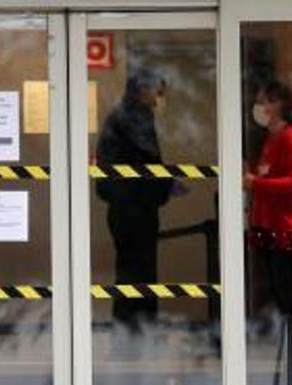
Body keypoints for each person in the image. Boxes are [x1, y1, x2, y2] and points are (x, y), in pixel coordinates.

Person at [96, 69, 182, 333]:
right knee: (139, 272)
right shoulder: (134, 118)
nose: (159, 99)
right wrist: (165, 184)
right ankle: (139, 330)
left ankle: (130, 329)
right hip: (133, 208)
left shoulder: (122, 116)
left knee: (130, 271)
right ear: (142, 90)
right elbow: (146, 163)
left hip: (125, 205)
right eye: (157, 92)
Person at [244, 81, 292, 385]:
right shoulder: (271, 140)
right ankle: (277, 363)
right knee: (269, 298)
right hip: (264, 226)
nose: (259, 108)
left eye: (263, 102)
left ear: (278, 105)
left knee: (286, 302)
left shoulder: (291, 137)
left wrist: (255, 183)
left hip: (283, 228)